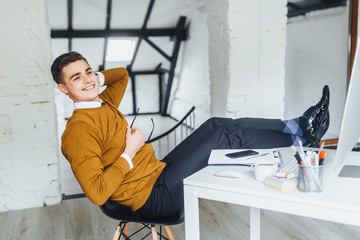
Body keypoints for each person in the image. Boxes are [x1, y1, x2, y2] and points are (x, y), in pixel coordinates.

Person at [51, 51, 330, 219]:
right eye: (76, 78)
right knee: (220, 138)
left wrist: (93, 79)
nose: (87, 79)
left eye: (88, 72)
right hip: (153, 197)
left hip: (158, 173)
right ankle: (301, 140)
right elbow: (98, 193)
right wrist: (129, 151)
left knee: (214, 124)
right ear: (63, 89)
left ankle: (295, 125)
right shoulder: (78, 130)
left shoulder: (102, 100)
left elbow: (122, 75)